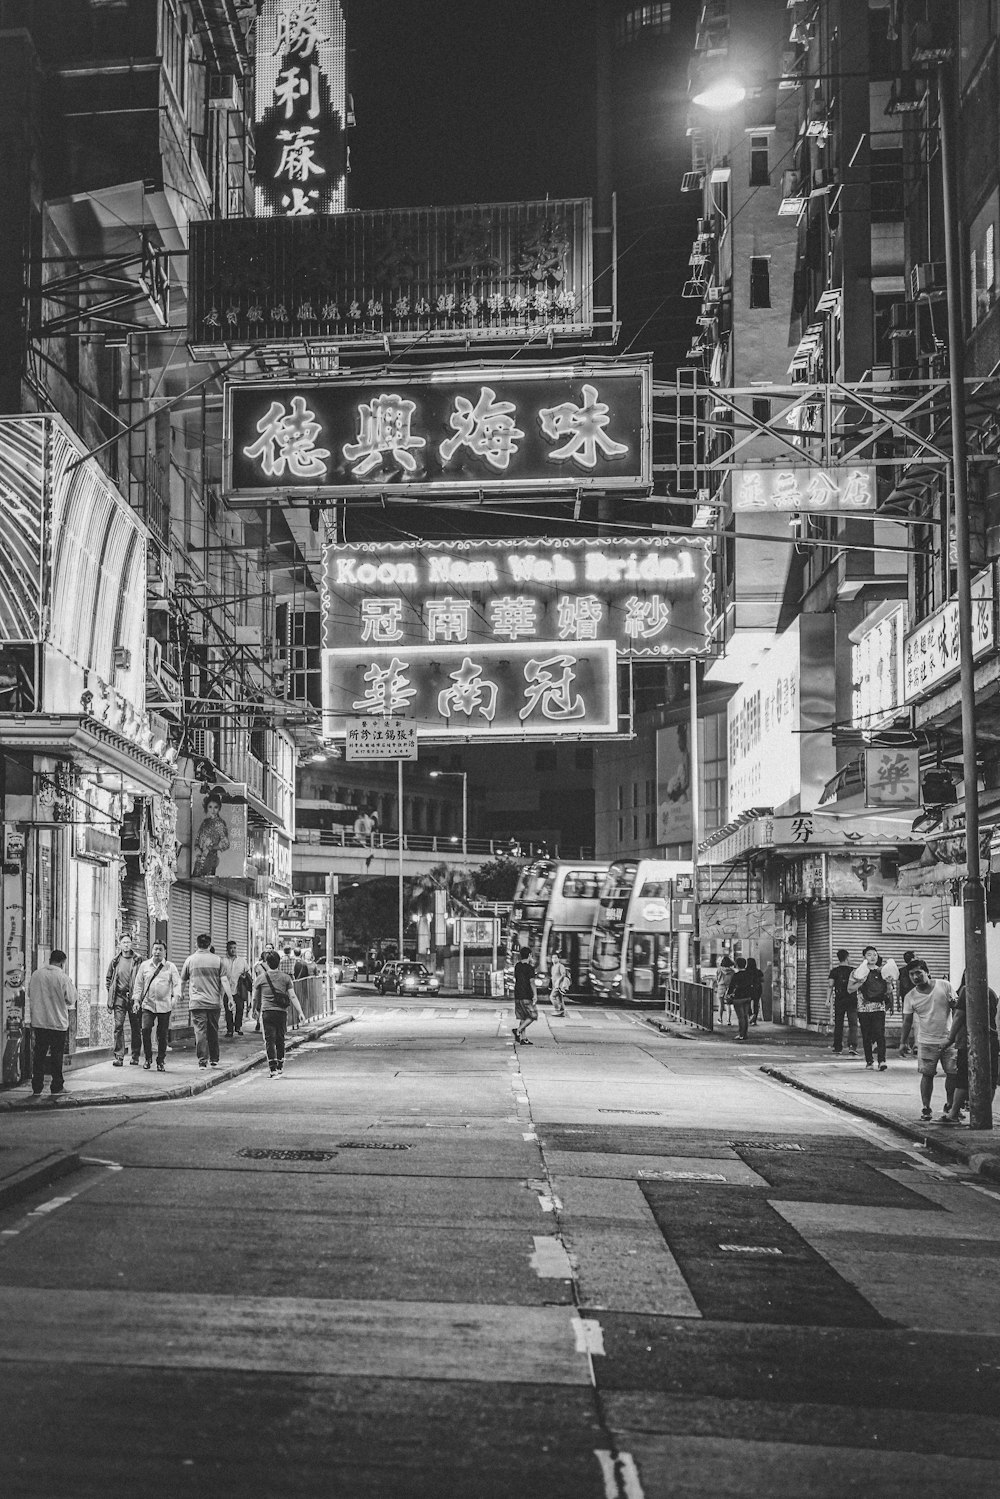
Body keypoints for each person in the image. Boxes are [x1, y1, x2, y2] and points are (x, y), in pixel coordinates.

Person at [898, 959, 958, 1122]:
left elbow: (957, 1009)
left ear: (927, 971)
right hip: (926, 1041)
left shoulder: (944, 986)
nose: (915, 977)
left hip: (949, 1039)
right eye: (912, 974)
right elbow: (907, 1021)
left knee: (953, 1074)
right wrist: (903, 1042)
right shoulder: (910, 996)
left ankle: (951, 1104)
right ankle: (926, 1107)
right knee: (927, 1074)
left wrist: (958, 1033)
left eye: (919, 972)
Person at [941, 970, 1000, 1123]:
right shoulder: (991, 993)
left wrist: (949, 1038)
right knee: (990, 1078)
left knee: (963, 1078)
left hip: (969, 1040)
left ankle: (953, 1114)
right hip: (991, 1040)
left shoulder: (967, 990)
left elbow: (959, 1017)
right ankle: (984, 1114)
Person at [26, 950, 77, 1098]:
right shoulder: (62, 977)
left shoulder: (36, 975)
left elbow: (30, 993)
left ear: (50, 960)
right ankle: (57, 1086)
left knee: (39, 1055)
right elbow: (71, 999)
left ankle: (37, 1087)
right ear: (62, 962)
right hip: (57, 1023)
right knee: (56, 1055)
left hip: (39, 1022)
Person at [181, 932, 232, 1069]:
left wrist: (180, 994)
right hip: (214, 1002)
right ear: (210, 945)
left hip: (197, 1003)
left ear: (196, 944)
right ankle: (214, 1059)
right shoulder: (218, 960)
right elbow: (224, 980)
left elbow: (183, 980)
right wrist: (230, 998)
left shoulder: (190, 960)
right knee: (213, 1030)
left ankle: (202, 1060)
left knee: (200, 1032)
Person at [253, 950, 305, 1076]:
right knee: (280, 1039)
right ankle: (280, 1064)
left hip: (267, 1012)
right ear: (279, 962)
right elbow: (292, 996)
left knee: (269, 1040)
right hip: (281, 1012)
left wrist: (254, 1009)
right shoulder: (286, 978)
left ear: (267, 963)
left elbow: (256, 997)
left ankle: (272, 1068)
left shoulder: (260, 978)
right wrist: (300, 1012)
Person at [133, 941, 181, 1072]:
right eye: (155, 949)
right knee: (146, 1030)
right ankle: (148, 1058)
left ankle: (161, 1061)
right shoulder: (144, 966)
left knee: (162, 1034)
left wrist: (175, 997)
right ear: (152, 950)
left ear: (165, 952)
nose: (157, 952)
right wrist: (136, 1001)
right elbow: (138, 984)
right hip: (148, 1004)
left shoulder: (170, 967)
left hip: (165, 1005)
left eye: (160, 949)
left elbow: (177, 984)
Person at [848, 945, 895, 1070]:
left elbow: (889, 991)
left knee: (880, 1034)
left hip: (879, 1007)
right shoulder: (857, 972)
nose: (873, 957)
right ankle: (869, 1061)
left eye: (875, 954)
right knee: (867, 1035)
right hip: (863, 1008)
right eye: (869, 954)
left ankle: (882, 1061)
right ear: (864, 957)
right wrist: (860, 982)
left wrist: (889, 982)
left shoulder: (882, 971)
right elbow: (849, 989)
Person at [106, 935, 140, 1067]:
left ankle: (135, 1055)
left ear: (131, 944)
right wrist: (111, 992)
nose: (126, 945)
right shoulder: (115, 960)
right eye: (124, 942)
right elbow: (108, 979)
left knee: (135, 1027)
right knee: (118, 1026)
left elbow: (143, 977)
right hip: (119, 997)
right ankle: (119, 1057)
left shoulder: (138, 959)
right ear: (119, 944)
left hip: (133, 998)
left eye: (128, 942)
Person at [191, 787, 230, 877]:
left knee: (206, 881)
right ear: (207, 808)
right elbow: (198, 838)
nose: (213, 810)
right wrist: (198, 849)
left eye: (215, 807)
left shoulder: (220, 823)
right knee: (196, 878)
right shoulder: (205, 822)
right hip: (200, 857)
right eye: (210, 807)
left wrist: (211, 848)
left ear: (219, 808)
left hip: (211, 858)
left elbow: (225, 844)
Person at [828, 948, 858, 1055]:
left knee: (838, 1024)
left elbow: (830, 985)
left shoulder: (834, 971)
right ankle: (852, 1046)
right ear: (847, 958)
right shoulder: (853, 971)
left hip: (839, 1000)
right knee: (853, 1024)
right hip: (852, 1000)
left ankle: (837, 1047)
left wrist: (828, 1000)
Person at [222, 940, 252, 1036]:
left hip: (239, 989)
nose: (233, 950)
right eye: (231, 948)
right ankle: (229, 1029)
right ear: (227, 949)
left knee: (240, 1008)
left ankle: (238, 1027)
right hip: (226, 990)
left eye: (234, 948)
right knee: (228, 1010)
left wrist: (244, 977)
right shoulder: (223, 961)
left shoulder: (242, 960)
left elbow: (247, 972)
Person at [511, 946, 538, 1045]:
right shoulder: (530, 968)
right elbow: (532, 982)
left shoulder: (517, 966)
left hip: (517, 994)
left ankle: (524, 1038)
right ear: (529, 955)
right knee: (533, 1015)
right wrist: (535, 995)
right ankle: (518, 1030)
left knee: (523, 1017)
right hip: (526, 995)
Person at [728, 957, 754, 1041]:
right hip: (747, 997)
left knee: (740, 1017)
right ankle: (745, 1034)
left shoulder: (736, 975)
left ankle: (741, 1034)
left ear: (737, 965)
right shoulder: (749, 974)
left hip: (738, 997)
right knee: (745, 1016)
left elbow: (731, 986)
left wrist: (728, 994)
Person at [715, 955, 735, 1025]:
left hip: (721, 987)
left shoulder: (719, 970)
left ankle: (720, 1019)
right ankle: (728, 1020)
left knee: (721, 1005)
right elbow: (733, 981)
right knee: (728, 1005)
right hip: (729, 988)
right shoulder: (732, 972)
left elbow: (717, 979)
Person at [549, 951, 569, 1018]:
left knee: (552, 997)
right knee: (560, 999)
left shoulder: (560, 966)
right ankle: (562, 1012)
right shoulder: (553, 967)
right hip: (555, 985)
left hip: (559, 985)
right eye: (553, 958)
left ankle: (557, 1010)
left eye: (555, 957)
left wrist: (558, 981)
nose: (554, 959)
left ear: (558, 959)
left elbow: (563, 974)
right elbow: (553, 977)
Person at [746, 956, 763, 1026]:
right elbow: (762, 979)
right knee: (756, 1004)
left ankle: (750, 1016)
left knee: (748, 1003)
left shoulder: (746, 972)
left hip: (748, 989)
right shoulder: (758, 971)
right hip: (757, 989)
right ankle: (754, 1019)